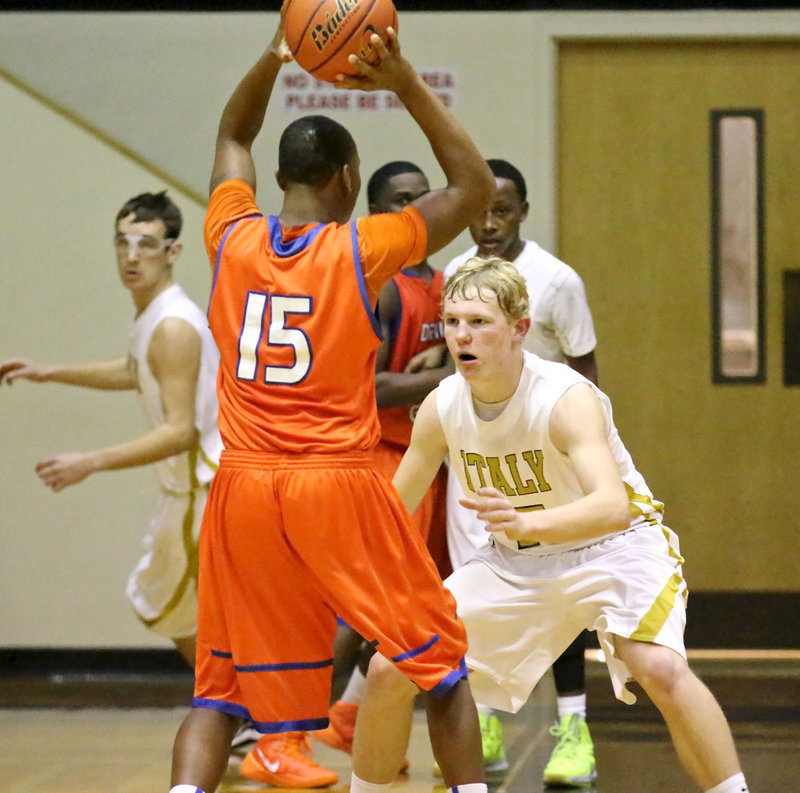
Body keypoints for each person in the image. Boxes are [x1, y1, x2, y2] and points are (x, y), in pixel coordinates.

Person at [166, 6, 495, 793]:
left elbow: (233, 134)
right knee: (441, 663)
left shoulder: (229, 233)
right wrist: (403, 80)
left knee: (219, 689)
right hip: (334, 481)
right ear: (349, 180)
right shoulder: (362, 247)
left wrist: (274, 57)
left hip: (243, 485)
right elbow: (474, 188)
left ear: (280, 178)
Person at [352, 257, 751, 793]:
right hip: (517, 562)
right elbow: (392, 513)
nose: (461, 336)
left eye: (479, 322)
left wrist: (525, 519)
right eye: (452, 322)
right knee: (389, 670)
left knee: (658, 667)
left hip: (615, 548)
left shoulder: (565, 397)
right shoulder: (442, 406)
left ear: (519, 329)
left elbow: (611, 506)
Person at [0, 190, 222, 669]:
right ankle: (233, 703)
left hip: (202, 488)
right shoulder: (154, 314)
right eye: (123, 243)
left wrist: (89, 462)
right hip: (189, 489)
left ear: (173, 252)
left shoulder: (174, 326)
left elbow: (180, 432)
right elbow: (135, 369)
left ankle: (234, 704)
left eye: (146, 245)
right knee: (181, 608)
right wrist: (48, 372)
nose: (132, 256)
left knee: (167, 605)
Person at [443, 158, 598, 785]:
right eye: (479, 211)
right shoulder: (456, 273)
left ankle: (574, 729)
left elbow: (587, 369)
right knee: (475, 592)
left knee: (561, 593)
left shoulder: (557, 281)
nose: (488, 224)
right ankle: (484, 718)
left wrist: (582, 455)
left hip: (543, 459)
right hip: (476, 455)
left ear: (524, 214)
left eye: (501, 211)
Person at [316, 160, 454, 759]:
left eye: (424, 196)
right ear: (377, 215)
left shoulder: (446, 281)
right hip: (384, 458)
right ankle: (284, 732)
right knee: (363, 606)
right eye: (402, 199)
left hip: (432, 461)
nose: (417, 207)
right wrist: (453, 375)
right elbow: (367, 387)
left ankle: (349, 719)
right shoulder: (383, 289)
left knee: (410, 606)